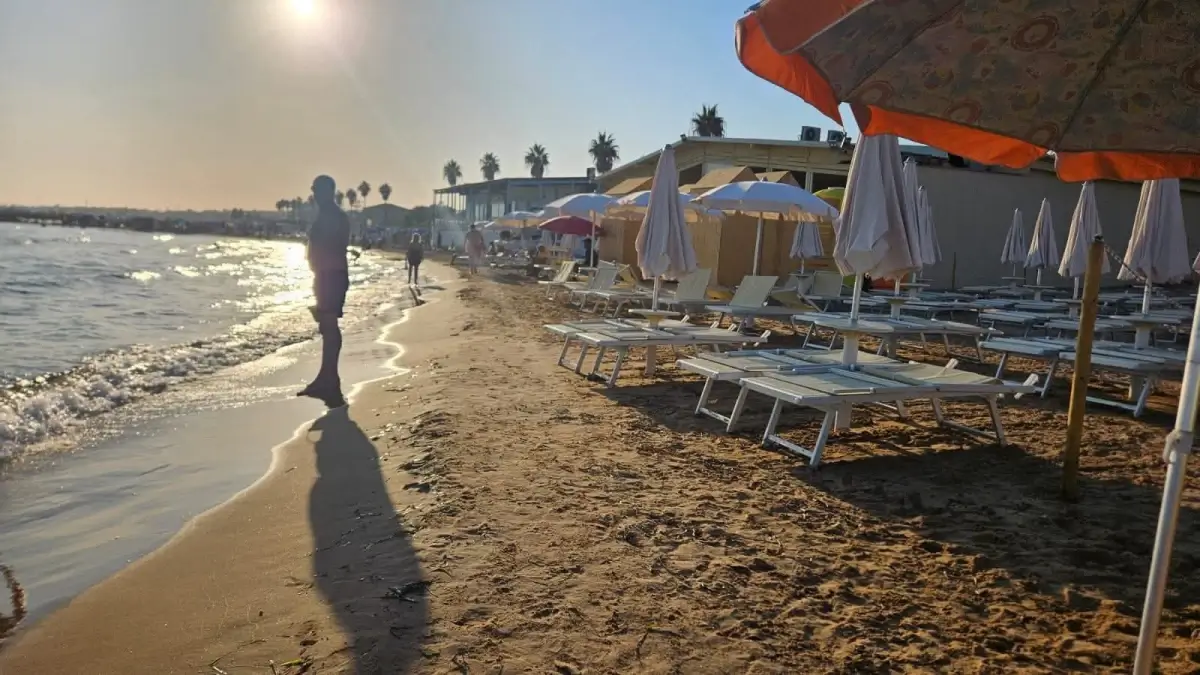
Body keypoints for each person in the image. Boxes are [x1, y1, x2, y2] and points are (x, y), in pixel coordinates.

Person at [297, 174, 352, 408]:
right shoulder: (331, 215)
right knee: (327, 326)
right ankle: (326, 377)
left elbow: (331, 245)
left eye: (317, 190)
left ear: (327, 192)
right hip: (327, 274)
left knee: (329, 326)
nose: (315, 195)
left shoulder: (332, 216)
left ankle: (330, 380)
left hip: (331, 275)